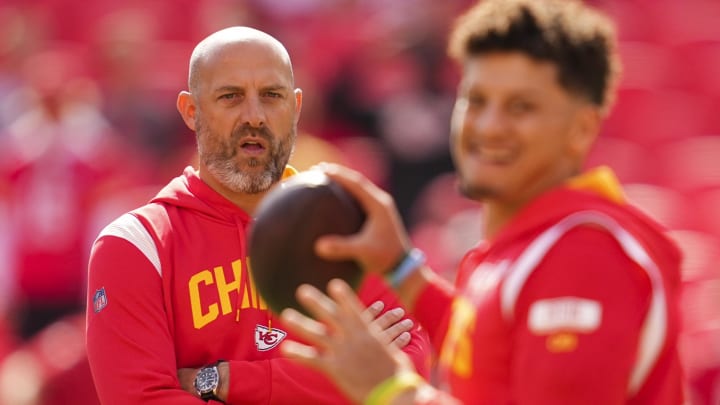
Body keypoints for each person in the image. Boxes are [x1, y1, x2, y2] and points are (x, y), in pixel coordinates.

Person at [278, 0, 685, 404]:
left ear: (581, 129)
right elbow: (490, 361)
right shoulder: (535, 243)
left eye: (520, 107)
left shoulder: (582, 254)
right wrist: (401, 267)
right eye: (475, 100)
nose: (489, 126)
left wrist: (390, 390)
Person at [85, 26, 431, 404]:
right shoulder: (135, 246)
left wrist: (225, 380)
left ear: (296, 108)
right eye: (230, 97)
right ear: (190, 111)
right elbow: (141, 399)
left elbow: (407, 374)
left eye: (271, 96)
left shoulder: (351, 228)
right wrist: (340, 383)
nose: (254, 116)